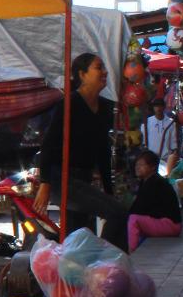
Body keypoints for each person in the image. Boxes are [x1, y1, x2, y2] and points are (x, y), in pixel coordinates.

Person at [36, 53, 129, 250]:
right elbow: (48, 145)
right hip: (63, 180)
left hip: (83, 179)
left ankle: (76, 275)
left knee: (76, 239)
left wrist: (108, 188)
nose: (104, 72)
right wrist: (44, 183)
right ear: (82, 74)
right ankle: (105, 262)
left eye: (104, 67)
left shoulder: (105, 106)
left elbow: (102, 149)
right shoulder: (69, 104)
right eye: (98, 67)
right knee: (117, 213)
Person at [127, 149, 182, 252]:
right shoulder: (147, 181)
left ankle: (131, 251)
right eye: (136, 165)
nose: (137, 168)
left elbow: (138, 209)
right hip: (164, 222)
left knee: (133, 219)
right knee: (130, 218)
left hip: (171, 225)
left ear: (152, 167)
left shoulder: (155, 183)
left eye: (141, 165)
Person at [143, 99, 174, 171]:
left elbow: (174, 144)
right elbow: (144, 142)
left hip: (166, 160)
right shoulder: (147, 122)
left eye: (160, 106)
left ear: (164, 107)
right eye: (156, 106)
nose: (158, 108)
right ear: (153, 108)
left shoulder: (171, 123)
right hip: (151, 160)